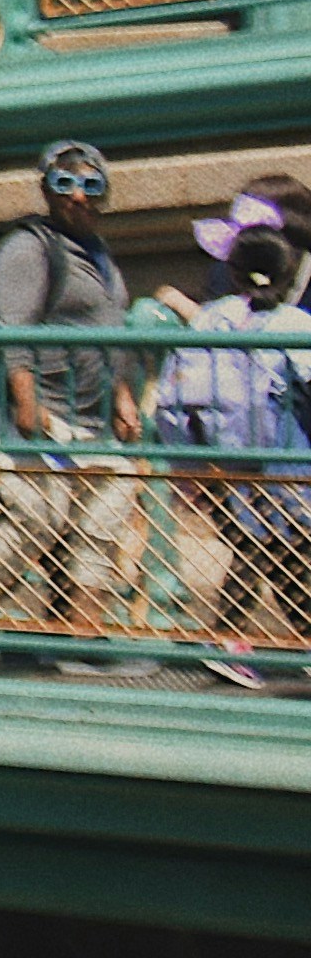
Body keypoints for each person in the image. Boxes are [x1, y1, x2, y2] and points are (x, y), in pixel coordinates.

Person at [0, 139, 151, 661]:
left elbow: (111, 330)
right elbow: (10, 325)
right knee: (33, 519)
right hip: (46, 408)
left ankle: (77, 633)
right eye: (64, 184)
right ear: (46, 189)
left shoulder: (101, 257)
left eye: (91, 185)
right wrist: (25, 396)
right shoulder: (30, 247)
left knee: (100, 526)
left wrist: (124, 395)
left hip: (96, 415)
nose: (78, 196)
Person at [160, 200, 311, 651]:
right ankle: (225, 642)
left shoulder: (209, 320)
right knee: (276, 549)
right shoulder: (292, 324)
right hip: (286, 466)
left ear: (232, 271)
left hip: (220, 465)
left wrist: (187, 462)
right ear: (287, 275)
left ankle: (262, 641)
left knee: (267, 549)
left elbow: (173, 400)